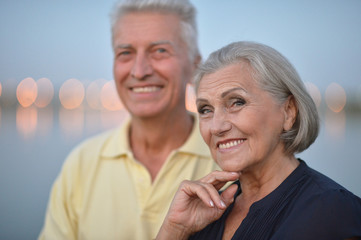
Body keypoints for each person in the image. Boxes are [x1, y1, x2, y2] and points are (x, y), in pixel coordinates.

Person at [39, 0, 220, 239]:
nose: (139, 71)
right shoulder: (81, 165)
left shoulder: (227, 161)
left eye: (160, 51)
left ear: (195, 65)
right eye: (125, 53)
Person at [156, 41, 361, 240]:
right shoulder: (206, 210)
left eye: (237, 102)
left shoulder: (333, 213)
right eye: (206, 110)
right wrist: (175, 229)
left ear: (288, 112)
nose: (217, 127)